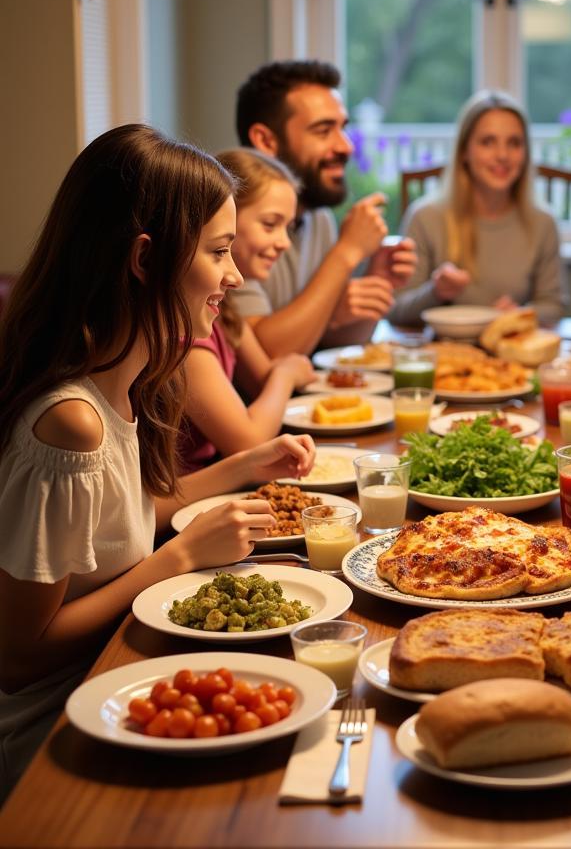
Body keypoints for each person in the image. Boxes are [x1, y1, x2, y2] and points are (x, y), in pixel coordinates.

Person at [0, 124, 315, 799]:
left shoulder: (128, 382)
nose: (233, 277)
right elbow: (19, 655)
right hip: (52, 728)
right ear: (146, 259)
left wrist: (244, 464)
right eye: (218, 252)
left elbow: (122, 519)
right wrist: (177, 559)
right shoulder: (70, 423)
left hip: (122, 677)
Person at [231, 59, 417, 356]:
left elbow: (331, 345)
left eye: (342, 128)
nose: (346, 146)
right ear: (265, 140)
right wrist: (347, 252)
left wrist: (376, 280)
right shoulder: (229, 220)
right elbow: (263, 356)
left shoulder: (319, 217)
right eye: (323, 130)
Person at [179, 149, 318, 470]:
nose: (284, 242)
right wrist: (285, 373)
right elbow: (249, 441)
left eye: (289, 227)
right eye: (270, 224)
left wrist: (280, 373)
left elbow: (261, 378)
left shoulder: (221, 306)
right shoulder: (184, 332)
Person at [390, 90, 567, 326]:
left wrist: (521, 314)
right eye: (487, 142)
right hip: (442, 354)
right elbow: (396, 311)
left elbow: (553, 306)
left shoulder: (543, 222)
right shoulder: (425, 217)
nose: (502, 155)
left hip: (510, 356)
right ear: (464, 151)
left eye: (514, 143)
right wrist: (436, 292)